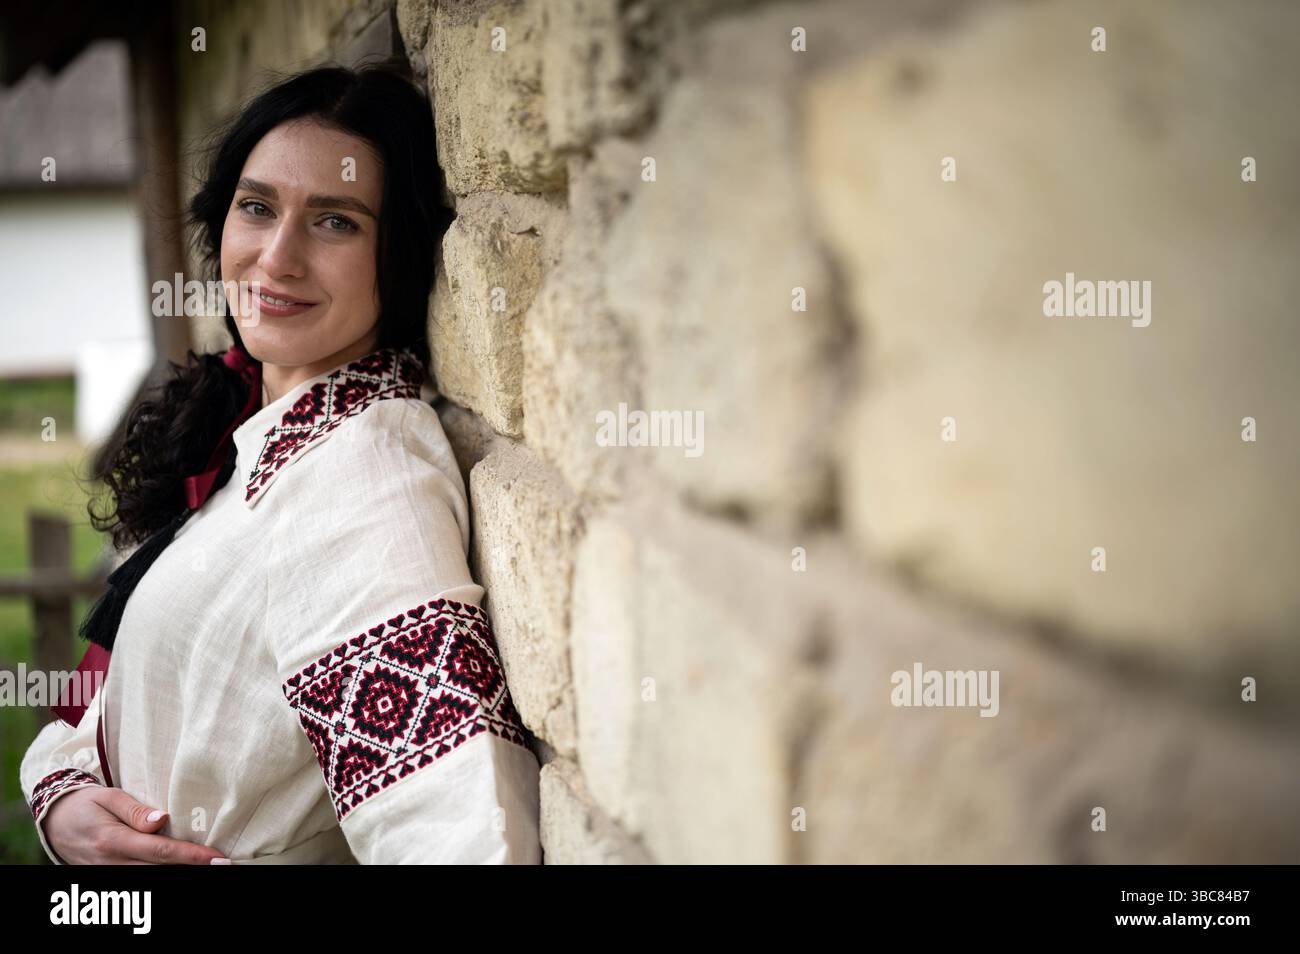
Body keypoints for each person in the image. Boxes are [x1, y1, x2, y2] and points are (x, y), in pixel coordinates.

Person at [18, 60, 540, 864]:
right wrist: (66, 803)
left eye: (335, 222)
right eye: (257, 207)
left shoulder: (362, 477)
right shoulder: (260, 434)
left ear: (393, 257)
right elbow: (117, 701)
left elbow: (466, 837)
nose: (278, 257)